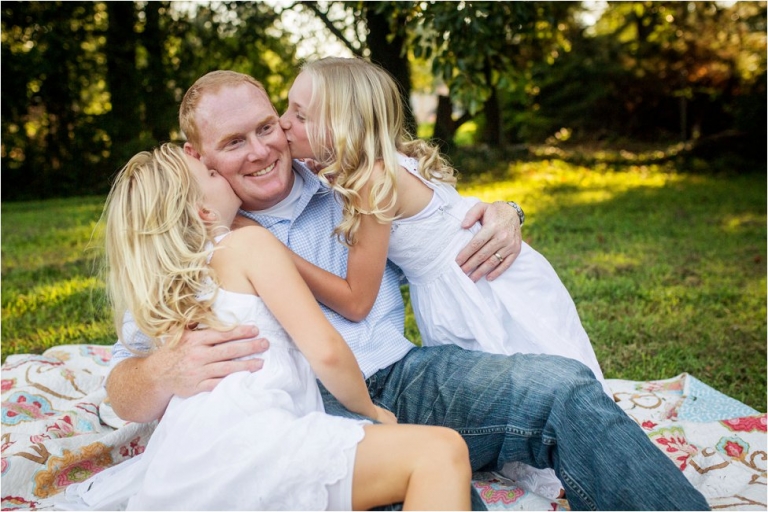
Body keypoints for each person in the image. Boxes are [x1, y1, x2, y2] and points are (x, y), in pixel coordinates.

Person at [105, 69, 711, 511]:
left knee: (562, 386)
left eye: (268, 127)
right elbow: (122, 387)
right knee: (439, 490)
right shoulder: (185, 236)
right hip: (302, 412)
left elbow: (438, 215)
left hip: (406, 374)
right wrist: (163, 370)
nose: (264, 149)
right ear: (196, 155)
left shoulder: (344, 174)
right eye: (234, 143)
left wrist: (504, 209)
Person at [62, 144, 472, 510]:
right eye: (210, 175)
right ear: (204, 213)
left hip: (180, 464)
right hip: (251, 446)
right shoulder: (248, 246)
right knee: (441, 451)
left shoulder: (168, 287)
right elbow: (325, 350)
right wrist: (370, 412)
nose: (219, 171)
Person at [277, 56, 611, 498]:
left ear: (341, 126)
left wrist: (273, 256)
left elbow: (357, 299)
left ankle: (575, 469)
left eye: (299, 116)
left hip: (478, 278)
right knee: (520, 369)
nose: (282, 124)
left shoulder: (371, 180)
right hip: (464, 278)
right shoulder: (362, 165)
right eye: (287, 108)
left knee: (522, 359)